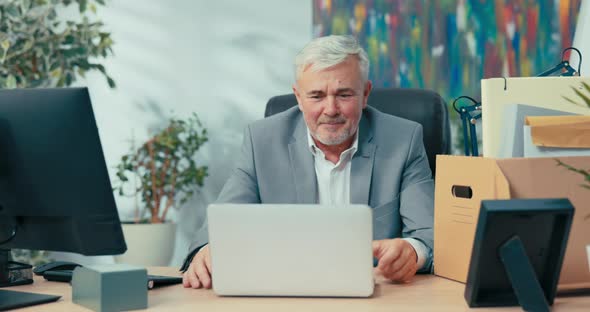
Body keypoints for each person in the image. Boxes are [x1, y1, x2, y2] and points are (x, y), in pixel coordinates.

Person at [181, 35, 434, 289]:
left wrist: (412, 252)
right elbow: (220, 225)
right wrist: (208, 249)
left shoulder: (404, 140)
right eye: (316, 96)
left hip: (375, 295)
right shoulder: (262, 142)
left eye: (344, 94)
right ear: (298, 97)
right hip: (286, 292)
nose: (331, 109)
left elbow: (428, 234)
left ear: (365, 94)